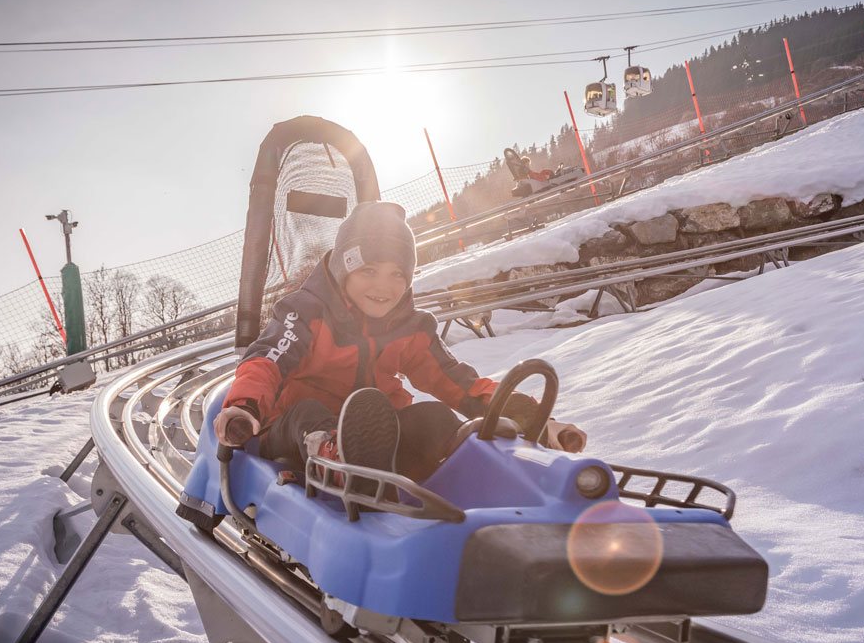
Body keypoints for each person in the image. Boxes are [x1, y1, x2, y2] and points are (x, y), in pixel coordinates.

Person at [214, 200, 587, 486]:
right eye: (368, 271)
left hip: (376, 435)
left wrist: (535, 419)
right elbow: (266, 361)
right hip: (293, 433)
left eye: (397, 275)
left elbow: (459, 383)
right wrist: (244, 406)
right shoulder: (305, 312)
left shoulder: (410, 327)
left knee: (435, 417)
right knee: (309, 411)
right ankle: (338, 462)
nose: (384, 287)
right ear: (344, 270)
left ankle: (459, 477)